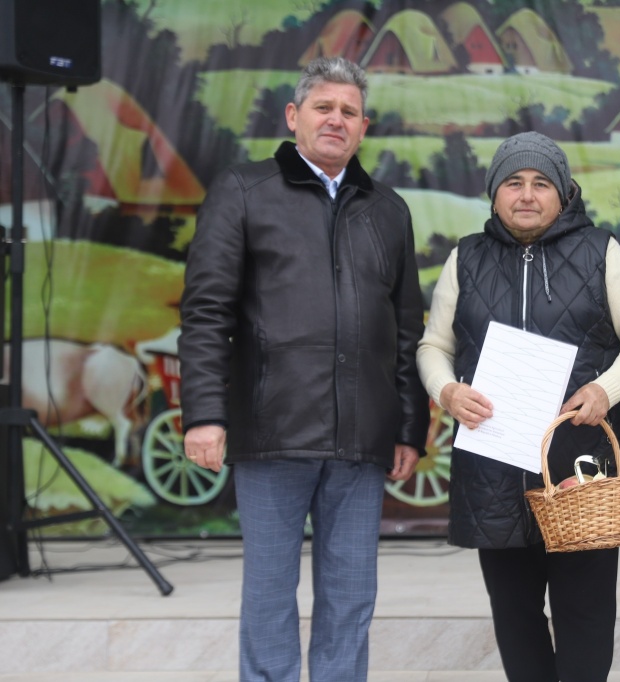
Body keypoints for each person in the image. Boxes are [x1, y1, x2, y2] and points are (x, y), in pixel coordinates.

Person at [178, 56, 429, 682]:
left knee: (351, 596)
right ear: (294, 116)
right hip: (274, 430)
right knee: (269, 596)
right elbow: (206, 311)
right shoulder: (243, 190)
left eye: (349, 111)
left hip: (361, 439)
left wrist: (408, 426)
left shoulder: (389, 210)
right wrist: (204, 414)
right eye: (323, 107)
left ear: (364, 127)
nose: (336, 120)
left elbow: (406, 329)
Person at [417, 131, 620, 682]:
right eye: (513, 182)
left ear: (564, 192)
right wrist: (447, 391)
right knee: (514, 613)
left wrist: (606, 390)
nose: (527, 195)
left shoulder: (601, 251)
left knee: (585, 614)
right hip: (493, 467)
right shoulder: (466, 257)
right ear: (494, 193)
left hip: (581, 469)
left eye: (541, 183)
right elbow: (434, 346)